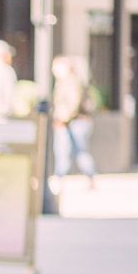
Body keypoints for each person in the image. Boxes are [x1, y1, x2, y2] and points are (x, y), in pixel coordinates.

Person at [51, 55, 97, 191]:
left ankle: (60, 178)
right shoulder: (65, 81)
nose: (53, 70)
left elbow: (73, 103)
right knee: (77, 151)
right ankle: (90, 177)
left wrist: (63, 119)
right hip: (74, 121)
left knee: (66, 151)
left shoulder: (70, 81)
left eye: (56, 67)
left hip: (73, 122)